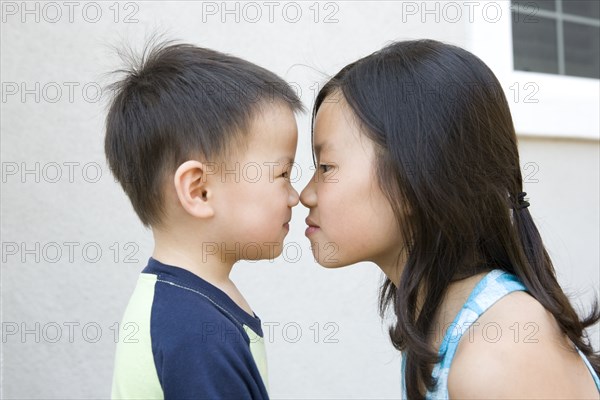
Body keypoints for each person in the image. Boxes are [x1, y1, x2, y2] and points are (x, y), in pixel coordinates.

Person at [300, 39, 600, 399]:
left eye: (326, 167)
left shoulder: (499, 352)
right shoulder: (437, 323)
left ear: (413, 179)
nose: (306, 194)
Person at [105, 39, 303, 399]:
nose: (296, 195)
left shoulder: (184, 305)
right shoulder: (194, 329)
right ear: (199, 191)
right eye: (283, 174)